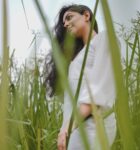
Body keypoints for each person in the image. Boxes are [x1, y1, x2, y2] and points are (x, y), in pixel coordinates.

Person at [45, 4, 117, 150]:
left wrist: (67, 128)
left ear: (86, 16)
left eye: (69, 17)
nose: (65, 24)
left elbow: (99, 88)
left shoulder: (104, 39)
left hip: (93, 124)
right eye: (63, 22)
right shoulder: (77, 58)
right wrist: (65, 128)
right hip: (76, 128)